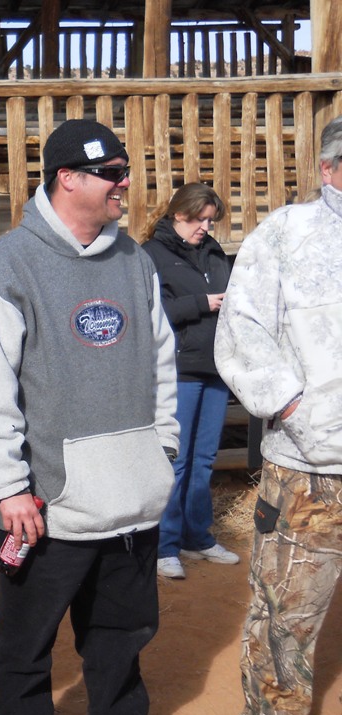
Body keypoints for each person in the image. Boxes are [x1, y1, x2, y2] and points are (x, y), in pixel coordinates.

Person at [0, 119, 179, 715]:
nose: (125, 183)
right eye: (112, 172)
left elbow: (162, 361)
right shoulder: (9, 264)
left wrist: (161, 451)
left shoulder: (133, 259)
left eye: (123, 169)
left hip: (130, 496)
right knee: (23, 642)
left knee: (121, 634)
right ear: (68, 179)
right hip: (44, 506)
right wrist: (9, 487)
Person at [215, 115, 342, 715]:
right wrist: (297, 408)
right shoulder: (285, 238)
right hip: (309, 473)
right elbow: (241, 331)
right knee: (284, 623)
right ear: (329, 169)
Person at [143, 183, 239, 580]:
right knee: (176, 462)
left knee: (203, 460)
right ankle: (165, 546)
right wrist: (202, 303)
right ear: (178, 214)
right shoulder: (150, 254)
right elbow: (149, 312)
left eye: (210, 220)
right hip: (178, 370)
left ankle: (197, 537)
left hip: (216, 366)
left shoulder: (215, 252)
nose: (205, 227)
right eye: (199, 219)